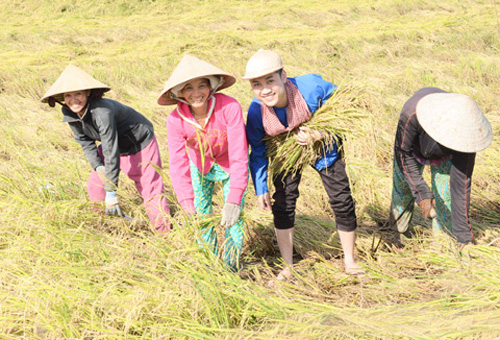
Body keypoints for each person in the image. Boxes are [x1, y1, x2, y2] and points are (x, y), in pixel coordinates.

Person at [243, 49, 362, 282]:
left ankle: (350, 260)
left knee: (341, 198)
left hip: (323, 146)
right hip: (285, 153)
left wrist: (321, 134)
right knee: (284, 204)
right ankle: (287, 266)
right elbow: (257, 152)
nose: (265, 90)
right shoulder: (257, 112)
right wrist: (260, 187)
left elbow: (344, 109)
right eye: (257, 84)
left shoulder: (311, 88)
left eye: (270, 81)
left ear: (283, 76)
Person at [41, 64, 171, 232]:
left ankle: (164, 231)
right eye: (68, 95)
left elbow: (110, 149)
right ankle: (105, 225)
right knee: (95, 184)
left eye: (78, 94)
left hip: (138, 141)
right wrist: (98, 167)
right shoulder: (69, 113)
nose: (74, 100)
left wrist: (112, 191)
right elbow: (85, 141)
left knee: (149, 186)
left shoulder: (102, 111)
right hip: (113, 143)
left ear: (88, 92)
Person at [157, 55, 249, 271]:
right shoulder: (175, 119)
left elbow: (239, 153)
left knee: (233, 218)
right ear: (179, 92)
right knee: (201, 214)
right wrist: (186, 203)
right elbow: (178, 163)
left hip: (230, 165)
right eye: (188, 88)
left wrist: (234, 197)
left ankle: (231, 267)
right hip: (200, 166)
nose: (196, 93)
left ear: (211, 86)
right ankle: (211, 266)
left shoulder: (229, 107)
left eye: (202, 85)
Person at [390, 87, 492, 249]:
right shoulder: (412, 113)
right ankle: (398, 234)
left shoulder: (466, 137)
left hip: (444, 157)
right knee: (403, 190)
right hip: (412, 151)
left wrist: (464, 237)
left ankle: (442, 244)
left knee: (445, 198)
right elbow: (402, 154)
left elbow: (461, 185)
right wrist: (421, 192)